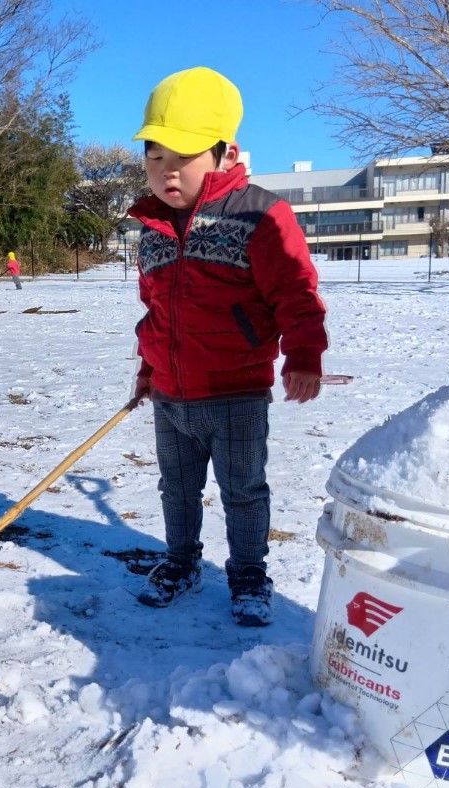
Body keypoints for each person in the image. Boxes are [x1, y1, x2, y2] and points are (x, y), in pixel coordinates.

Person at [127, 67, 328, 627]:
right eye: (155, 156)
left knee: (243, 492)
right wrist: (148, 370)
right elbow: (158, 312)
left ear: (224, 152)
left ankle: (247, 574)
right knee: (177, 490)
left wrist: (305, 356)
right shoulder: (153, 229)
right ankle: (181, 561)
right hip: (171, 396)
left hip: (237, 392)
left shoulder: (259, 214)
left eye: (182, 157)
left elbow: (296, 290)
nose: (166, 171)